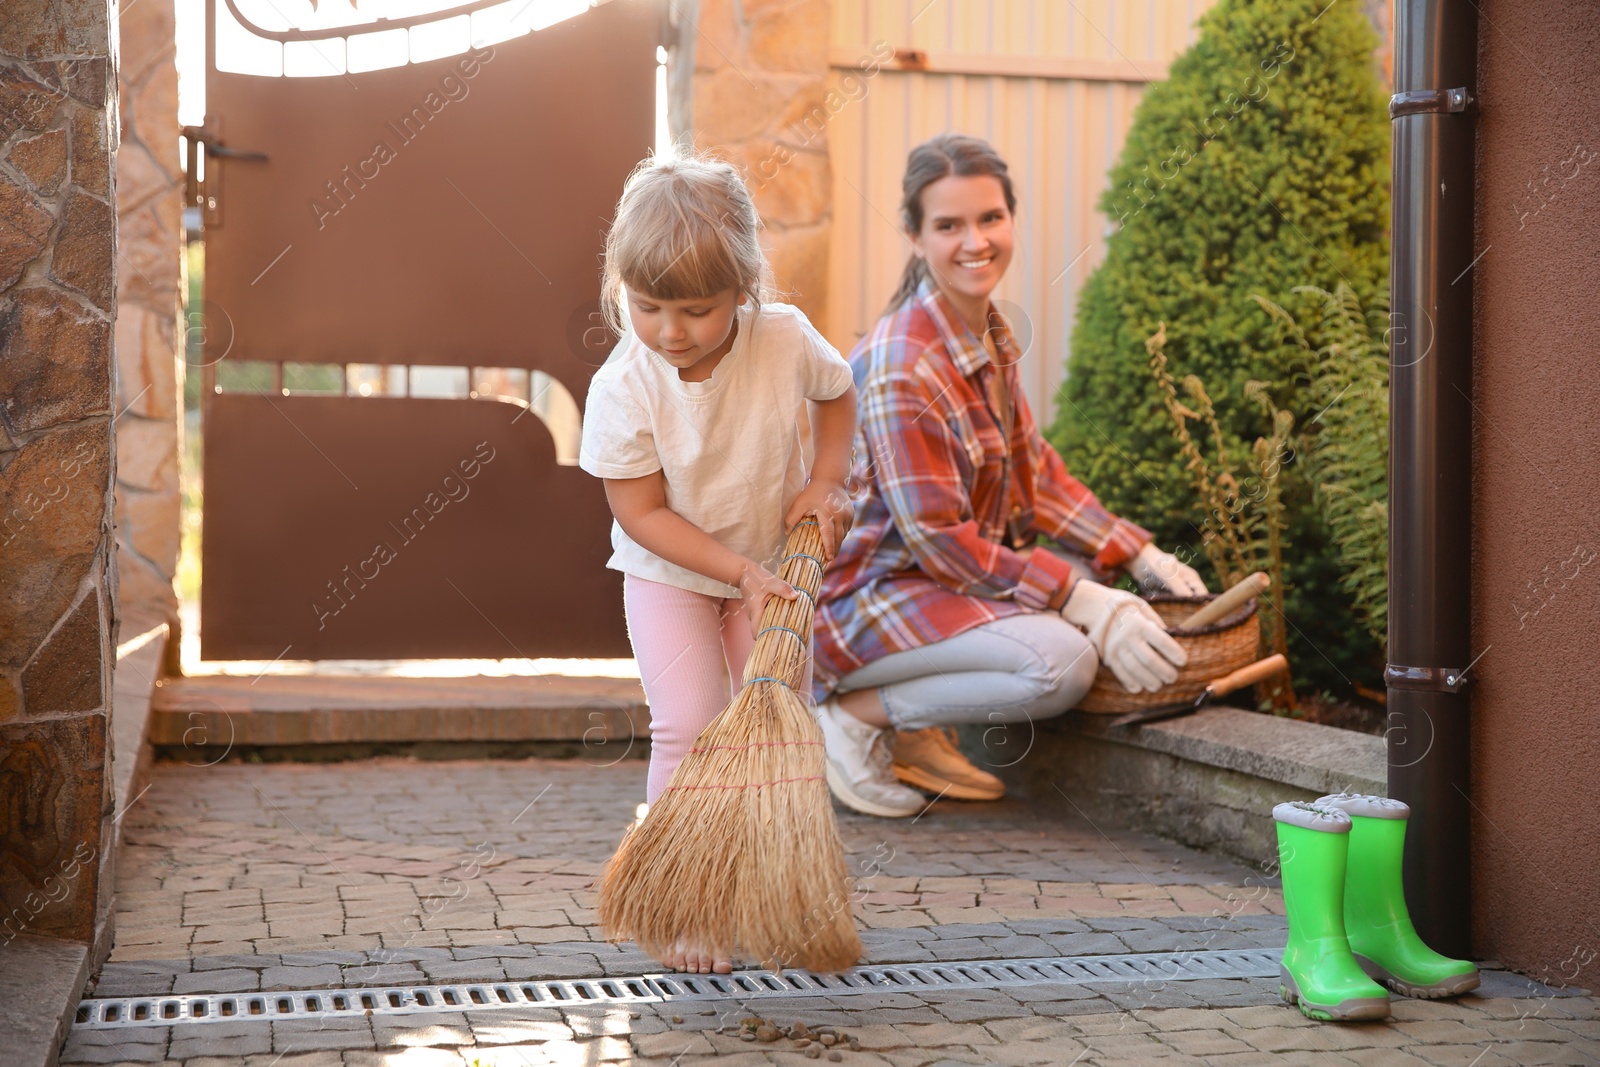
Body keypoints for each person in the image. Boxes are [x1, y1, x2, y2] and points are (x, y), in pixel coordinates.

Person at [811, 133, 1207, 818]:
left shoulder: (989, 333)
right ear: (914, 235)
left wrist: (1135, 550)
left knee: (1083, 588)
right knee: (1061, 661)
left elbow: (1036, 471)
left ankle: (910, 729)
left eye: (990, 218)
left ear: (1011, 219)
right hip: (864, 603)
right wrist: (1074, 597)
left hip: (934, 585)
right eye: (949, 225)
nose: (976, 241)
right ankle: (854, 717)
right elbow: (938, 541)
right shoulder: (906, 364)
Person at [578, 152, 856, 973]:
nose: (670, 328)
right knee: (692, 723)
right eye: (648, 305)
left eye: (696, 309)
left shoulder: (783, 338)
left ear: (745, 287)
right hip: (671, 578)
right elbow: (640, 512)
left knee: (780, 725)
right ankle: (682, 903)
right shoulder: (624, 384)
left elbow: (838, 394)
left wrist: (825, 482)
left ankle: (780, 895)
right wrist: (737, 574)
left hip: (768, 570)